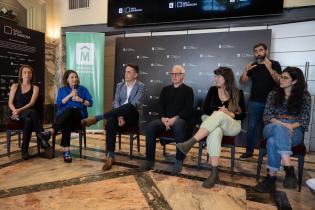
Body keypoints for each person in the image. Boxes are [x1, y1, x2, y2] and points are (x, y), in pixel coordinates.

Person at [176, 67, 246, 188]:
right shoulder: (213, 90)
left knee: (219, 115)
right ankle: (214, 173)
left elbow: (243, 115)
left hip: (231, 125)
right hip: (211, 122)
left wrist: (229, 113)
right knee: (215, 130)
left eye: (219, 76)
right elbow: (205, 109)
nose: (216, 79)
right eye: (215, 76)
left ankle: (191, 142)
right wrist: (219, 111)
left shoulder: (238, 93)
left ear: (227, 78)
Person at [254, 67, 311, 193]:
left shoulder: (304, 96)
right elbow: (267, 116)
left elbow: (304, 120)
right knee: (278, 129)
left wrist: (290, 126)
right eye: (281, 76)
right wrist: (282, 124)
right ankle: (288, 168)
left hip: (294, 128)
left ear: (294, 81)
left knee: (272, 142)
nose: (281, 79)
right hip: (272, 125)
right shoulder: (273, 94)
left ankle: (271, 178)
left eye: (285, 78)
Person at [81, 64, 144, 171]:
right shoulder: (120, 85)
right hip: (119, 115)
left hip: (132, 116)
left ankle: (98, 118)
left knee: (129, 105)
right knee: (110, 121)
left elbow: (135, 103)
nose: (126, 73)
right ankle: (110, 156)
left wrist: (122, 114)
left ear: (135, 74)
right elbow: (115, 102)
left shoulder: (140, 86)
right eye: (125, 71)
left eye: (129, 72)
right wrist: (119, 115)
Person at [140, 65, 194, 175]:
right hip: (165, 120)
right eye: (172, 74)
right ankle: (149, 160)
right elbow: (160, 106)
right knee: (150, 126)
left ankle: (178, 160)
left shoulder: (188, 90)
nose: (174, 76)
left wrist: (175, 118)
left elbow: (188, 109)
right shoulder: (165, 90)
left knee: (178, 125)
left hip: (180, 120)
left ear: (183, 76)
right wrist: (163, 118)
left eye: (177, 74)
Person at [239, 43, 282, 159]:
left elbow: (280, 82)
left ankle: (268, 150)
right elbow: (242, 81)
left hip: (271, 103)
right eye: (256, 51)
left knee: (268, 128)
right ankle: (249, 152)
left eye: (260, 50)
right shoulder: (253, 65)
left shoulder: (274, 64)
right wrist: (246, 70)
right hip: (254, 102)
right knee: (252, 127)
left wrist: (270, 68)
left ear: (266, 51)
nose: (258, 53)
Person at [41, 70, 93, 163]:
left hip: (78, 117)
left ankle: (51, 131)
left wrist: (80, 100)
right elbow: (59, 104)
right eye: (72, 77)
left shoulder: (83, 89)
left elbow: (90, 103)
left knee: (71, 109)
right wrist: (70, 95)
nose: (75, 79)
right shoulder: (62, 90)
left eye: (76, 77)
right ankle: (67, 151)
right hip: (64, 119)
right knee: (67, 118)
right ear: (67, 79)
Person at [8, 65, 51, 160]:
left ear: (32, 75)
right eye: (25, 72)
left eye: (29, 72)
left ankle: (24, 151)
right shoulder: (15, 86)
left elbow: (31, 103)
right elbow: (10, 102)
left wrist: (20, 110)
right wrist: (15, 110)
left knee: (28, 120)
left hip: (26, 114)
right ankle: (41, 137)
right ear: (21, 75)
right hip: (16, 116)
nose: (27, 74)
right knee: (33, 113)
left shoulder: (35, 88)